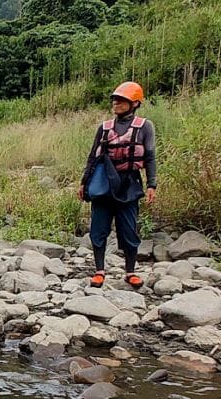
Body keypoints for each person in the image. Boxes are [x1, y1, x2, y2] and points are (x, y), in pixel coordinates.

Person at [78, 81, 157, 289]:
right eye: (115, 99)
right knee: (98, 228)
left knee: (129, 230)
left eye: (122, 100)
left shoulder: (144, 127)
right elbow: (93, 157)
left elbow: (149, 157)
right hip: (104, 184)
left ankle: (130, 271)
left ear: (135, 103)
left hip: (129, 184)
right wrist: (84, 182)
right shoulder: (104, 128)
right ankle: (99, 271)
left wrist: (152, 184)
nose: (116, 103)